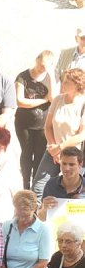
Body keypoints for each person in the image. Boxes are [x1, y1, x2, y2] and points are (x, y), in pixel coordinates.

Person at [32, 68, 85, 198]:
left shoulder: (83, 104)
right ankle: (41, 215)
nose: (63, 84)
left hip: (72, 154)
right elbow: (48, 126)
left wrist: (61, 148)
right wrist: (53, 147)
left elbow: (82, 134)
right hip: (52, 151)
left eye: (67, 82)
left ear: (77, 85)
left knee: (74, 189)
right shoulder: (58, 100)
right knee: (38, 187)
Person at [15, 51, 56, 190]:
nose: (41, 69)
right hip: (24, 123)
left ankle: (35, 187)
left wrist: (50, 76)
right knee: (26, 153)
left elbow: (54, 98)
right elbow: (20, 101)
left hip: (43, 124)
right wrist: (43, 100)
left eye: (45, 67)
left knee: (39, 155)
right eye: (40, 65)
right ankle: (25, 184)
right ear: (36, 60)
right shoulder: (23, 76)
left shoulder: (51, 77)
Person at [39, 148, 85, 222]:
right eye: (64, 164)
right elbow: (41, 218)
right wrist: (44, 209)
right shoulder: (51, 184)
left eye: (71, 164)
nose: (67, 168)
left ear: (80, 165)